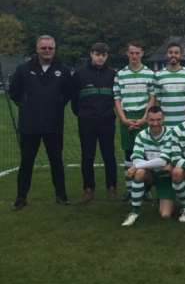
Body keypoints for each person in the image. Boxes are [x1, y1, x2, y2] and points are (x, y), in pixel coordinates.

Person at [9, 35, 73, 210]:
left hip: (54, 124)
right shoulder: (23, 69)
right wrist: (26, 106)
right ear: (37, 49)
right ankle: (21, 198)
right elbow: (14, 92)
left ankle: (61, 196)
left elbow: (69, 92)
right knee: (26, 162)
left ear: (54, 49)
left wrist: (59, 104)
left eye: (50, 48)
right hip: (30, 126)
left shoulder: (63, 69)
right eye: (43, 48)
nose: (47, 51)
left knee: (56, 161)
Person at [71, 42, 118, 203]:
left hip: (107, 121)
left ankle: (112, 187)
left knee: (109, 155)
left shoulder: (113, 74)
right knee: (87, 156)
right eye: (97, 54)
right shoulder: (79, 74)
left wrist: (107, 113)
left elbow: (116, 99)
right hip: (87, 122)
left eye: (103, 55)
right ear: (91, 54)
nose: (100, 57)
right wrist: (84, 115)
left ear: (107, 56)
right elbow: (74, 100)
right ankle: (88, 189)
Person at [113, 41, 156, 200]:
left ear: (142, 54)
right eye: (131, 53)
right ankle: (130, 189)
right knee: (129, 153)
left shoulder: (150, 74)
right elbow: (117, 98)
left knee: (145, 154)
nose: (134, 56)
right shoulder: (120, 74)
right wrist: (124, 119)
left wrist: (145, 118)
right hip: (127, 116)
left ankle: (145, 189)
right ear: (127, 54)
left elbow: (152, 97)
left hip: (144, 117)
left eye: (137, 53)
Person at [121, 106, 174, 226]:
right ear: (147, 120)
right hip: (150, 174)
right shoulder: (141, 135)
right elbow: (136, 158)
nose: (155, 123)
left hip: (165, 176)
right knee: (139, 173)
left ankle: (164, 197)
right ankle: (134, 212)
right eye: (151, 120)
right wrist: (138, 166)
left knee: (165, 215)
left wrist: (137, 166)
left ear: (163, 119)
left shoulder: (171, 134)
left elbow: (163, 161)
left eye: (158, 120)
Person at [154, 41, 185, 127]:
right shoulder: (158, 75)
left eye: (176, 53)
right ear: (166, 54)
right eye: (170, 52)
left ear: (181, 55)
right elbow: (158, 101)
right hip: (165, 124)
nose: (173, 55)